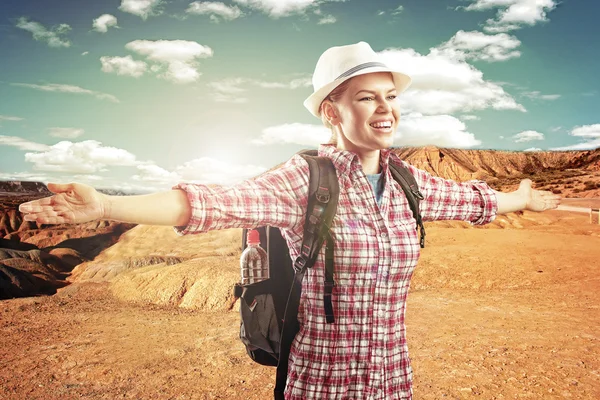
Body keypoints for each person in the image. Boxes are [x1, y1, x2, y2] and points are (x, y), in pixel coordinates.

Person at [19, 42, 560, 400]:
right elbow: (208, 202)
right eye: (366, 97)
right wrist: (108, 207)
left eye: (391, 97)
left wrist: (523, 197)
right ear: (332, 110)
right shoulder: (307, 181)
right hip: (319, 384)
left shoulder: (408, 184)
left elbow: (475, 201)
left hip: (392, 382)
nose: (385, 110)